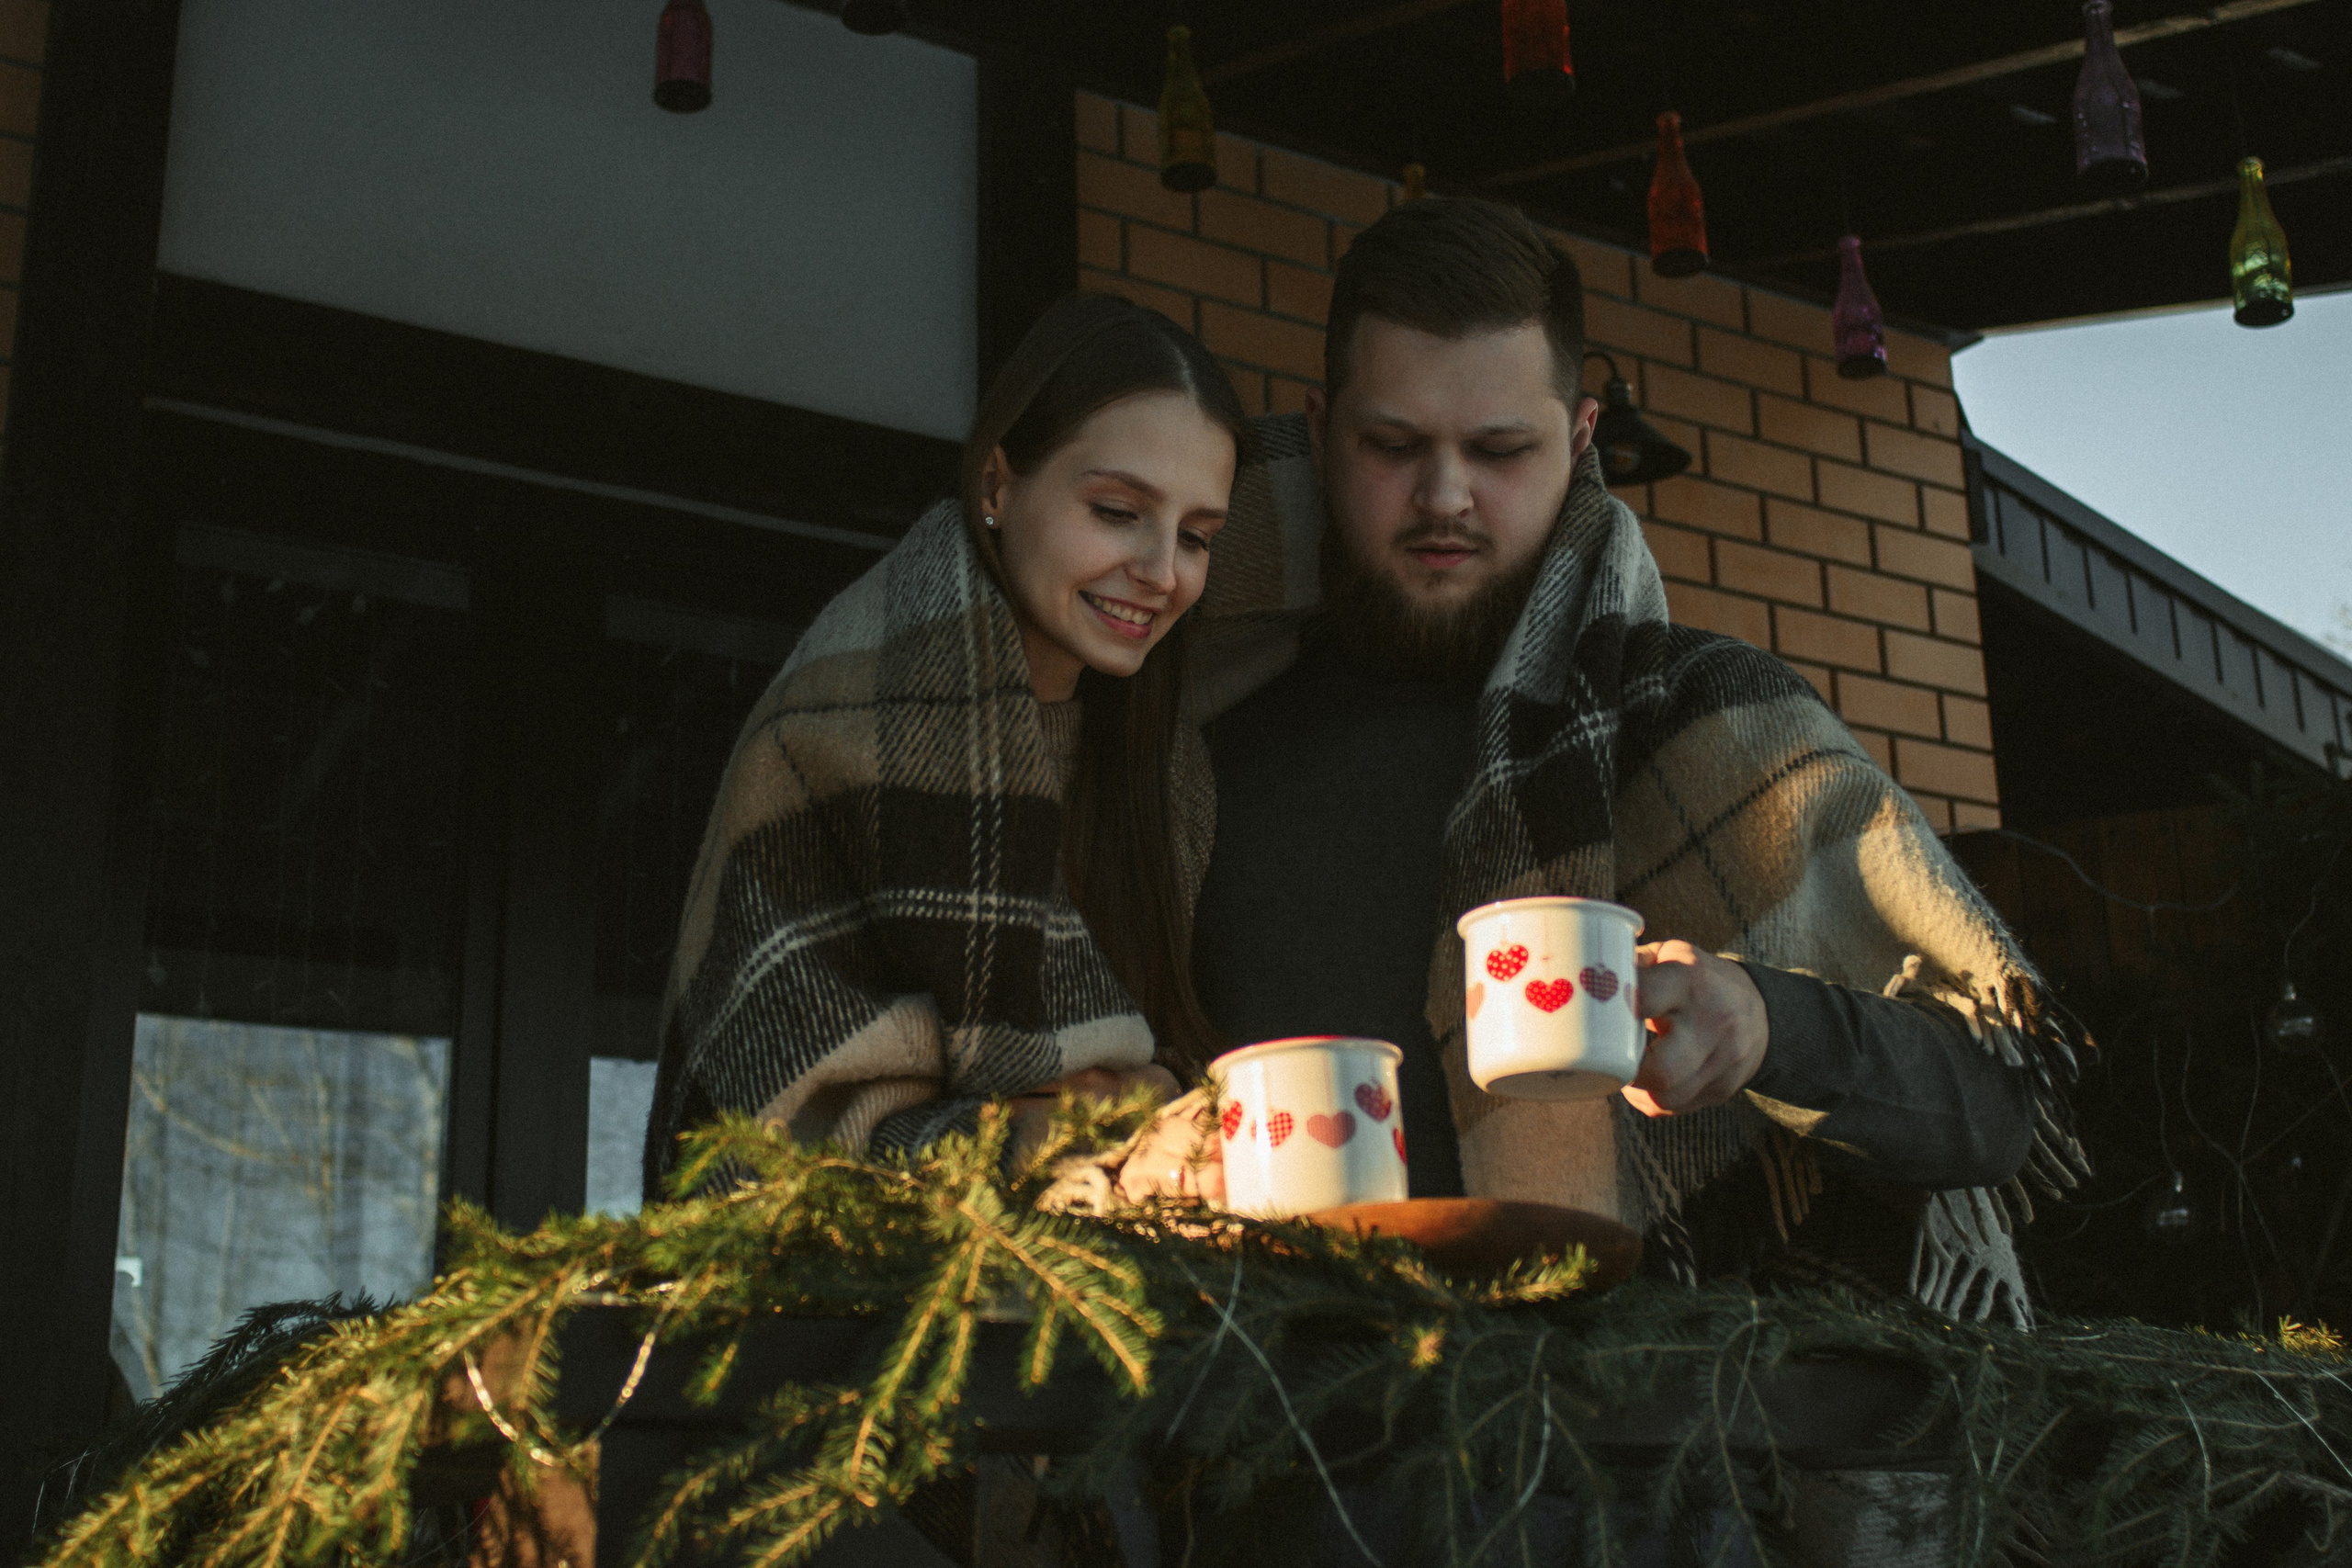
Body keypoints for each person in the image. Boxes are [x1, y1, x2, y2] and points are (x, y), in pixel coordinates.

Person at [1122, 198, 2087, 1325]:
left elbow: (1990, 1102)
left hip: (1633, 1440)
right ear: (1320, 428)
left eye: (1499, 451)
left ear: (1581, 440)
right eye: (1392, 447)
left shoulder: (1701, 722)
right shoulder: (1180, 731)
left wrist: (1767, 1025)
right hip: (1254, 1411)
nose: (1444, 497)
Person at [641, 292, 1249, 1187]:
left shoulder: (1162, 761)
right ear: (998, 484)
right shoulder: (846, 716)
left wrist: (1146, 1095)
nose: (1161, 572)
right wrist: (1037, 1130)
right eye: (1117, 511)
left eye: (1196, 536)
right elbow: (754, 1142)